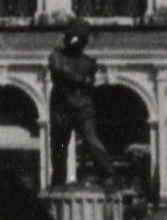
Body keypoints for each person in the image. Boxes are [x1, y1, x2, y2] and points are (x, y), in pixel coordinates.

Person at [48, 27, 116, 186]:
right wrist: (79, 80)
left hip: (81, 106)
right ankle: (58, 180)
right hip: (61, 106)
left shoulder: (88, 62)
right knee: (59, 146)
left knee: (90, 139)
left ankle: (108, 173)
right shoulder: (57, 56)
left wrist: (76, 79)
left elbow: (89, 84)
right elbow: (59, 70)